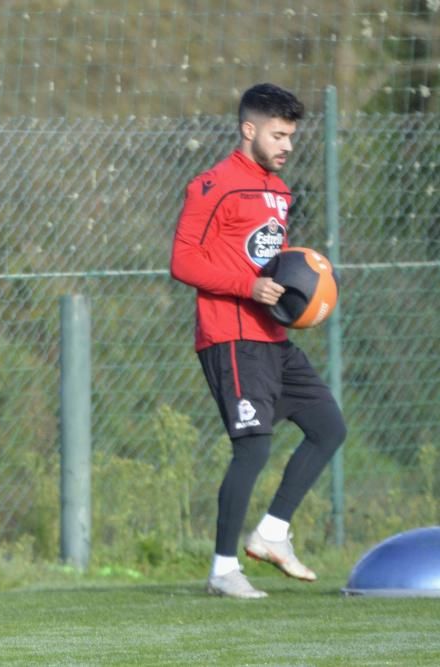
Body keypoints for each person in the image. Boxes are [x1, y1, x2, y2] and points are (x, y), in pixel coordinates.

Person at [170, 83, 347, 599]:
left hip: (272, 337)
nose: (288, 144)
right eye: (278, 134)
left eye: (292, 135)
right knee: (253, 447)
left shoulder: (280, 190)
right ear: (249, 130)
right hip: (230, 336)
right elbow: (183, 262)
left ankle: (271, 534)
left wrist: (305, 287)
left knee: (328, 427)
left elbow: (274, 257)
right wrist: (247, 286)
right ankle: (223, 570)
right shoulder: (212, 186)